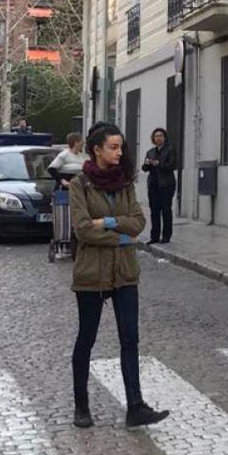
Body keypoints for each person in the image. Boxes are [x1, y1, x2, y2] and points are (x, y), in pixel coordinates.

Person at [69, 123, 168, 429]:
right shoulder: (80, 184)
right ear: (97, 149)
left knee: (130, 339)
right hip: (92, 273)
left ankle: (135, 406)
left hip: (125, 272)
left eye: (121, 147)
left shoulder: (126, 183)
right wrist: (119, 236)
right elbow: (83, 228)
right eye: (113, 147)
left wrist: (108, 222)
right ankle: (81, 405)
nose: (119, 152)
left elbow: (138, 222)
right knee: (87, 338)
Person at [141, 128, 177, 244]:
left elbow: (172, 165)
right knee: (154, 210)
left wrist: (159, 163)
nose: (158, 138)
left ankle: (166, 236)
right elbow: (145, 168)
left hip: (166, 184)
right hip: (153, 185)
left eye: (160, 136)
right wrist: (146, 164)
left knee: (166, 210)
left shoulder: (170, 149)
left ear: (164, 137)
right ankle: (154, 236)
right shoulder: (150, 152)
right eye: (156, 136)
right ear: (153, 138)